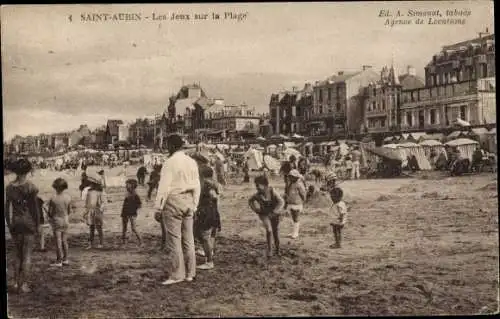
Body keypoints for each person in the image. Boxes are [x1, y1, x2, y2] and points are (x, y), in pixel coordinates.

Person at [154, 134, 200, 286]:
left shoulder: (170, 162)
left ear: (172, 146)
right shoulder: (192, 161)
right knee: (189, 239)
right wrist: (194, 204)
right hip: (188, 200)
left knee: (174, 240)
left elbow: (163, 187)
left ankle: (177, 274)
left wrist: (158, 207)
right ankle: (190, 273)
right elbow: (197, 185)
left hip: (173, 199)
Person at [5, 158, 40, 293]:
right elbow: (34, 209)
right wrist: (37, 225)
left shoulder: (9, 188)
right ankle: (24, 284)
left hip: (16, 222)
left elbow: (6, 209)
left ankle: (14, 282)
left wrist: (9, 224)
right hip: (28, 222)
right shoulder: (31, 187)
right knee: (27, 255)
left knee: (17, 254)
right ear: (28, 171)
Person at [248, 175, 285, 257]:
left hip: (274, 214)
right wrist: (255, 209)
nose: (256, 187)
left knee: (275, 231)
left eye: (258, 185)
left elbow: (281, 202)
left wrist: (275, 211)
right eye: (256, 185)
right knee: (269, 230)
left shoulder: (272, 191)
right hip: (264, 214)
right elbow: (250, 201)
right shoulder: (257, 195)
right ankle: (270, 250)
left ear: (264, 185)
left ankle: (278, 249)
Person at [195, 166, 221, 270]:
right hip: (214, 211)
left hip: (206, 212)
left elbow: (213, 196)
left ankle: (209, 261)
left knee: (204, 236)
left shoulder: (206, 184)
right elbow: (216, 197)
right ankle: (210, 252)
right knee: (211, 234)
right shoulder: (215, 183)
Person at [47, 178, 73, 267]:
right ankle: (66, 259)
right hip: (66, 220)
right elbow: (69, 211)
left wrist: (49, 215)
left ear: (55, 187)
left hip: (57, 220)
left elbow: (50, 213)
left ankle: (59, 260)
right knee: (64, 240)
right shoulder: (68, 197)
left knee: (58, 241)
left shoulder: (53, 198)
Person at [83, 175, 106, 249]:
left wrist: (101, 209)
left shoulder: (100, 192)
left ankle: (101, 242)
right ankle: (91, 243)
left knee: (98, 227)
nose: (90, 184)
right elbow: (87, 203)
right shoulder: (89, 192)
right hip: (91, 210)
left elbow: (103, 202)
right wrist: (86, 211)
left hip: (97, 210)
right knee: (91, 227)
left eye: (91, 183)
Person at [285, 170, 306, 239]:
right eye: (290, 177)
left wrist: (303, 201)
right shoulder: (290, 184)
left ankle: (296, 233)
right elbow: (288, 192)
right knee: (293, 218)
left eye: (292, 177)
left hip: (297, 203)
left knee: (296, 218)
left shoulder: (299, 184)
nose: (290, 178)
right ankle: (293, 231)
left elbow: (303, 193)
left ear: (296, 177)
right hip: (291, 202)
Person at [121, 179, 142, 246]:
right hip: (126, 212)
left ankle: (140, 241)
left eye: (127, 184)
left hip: (131, 213)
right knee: (124, 227)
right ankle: (123, 242)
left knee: (133, 228)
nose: (126, 186)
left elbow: (139, 205)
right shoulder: (128, 193)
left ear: (132, 185)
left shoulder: (135, 194)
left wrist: (133, 209)